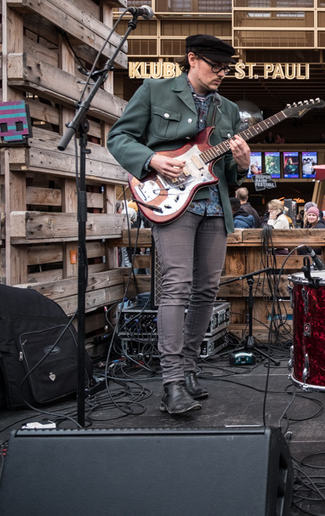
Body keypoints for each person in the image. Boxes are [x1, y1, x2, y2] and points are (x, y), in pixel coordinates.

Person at [107, 34, 250, 415]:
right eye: (215, 66)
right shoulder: (155, 91)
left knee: (205, 291)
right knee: (176, 287)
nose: (222, 74)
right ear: (192, 59)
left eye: (226, 68)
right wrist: (152, 161)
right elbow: (118, 137)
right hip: (170, 203)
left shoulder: (229, 110)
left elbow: (230, 179)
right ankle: (171, 382)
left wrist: (243, 164)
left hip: (214, 207)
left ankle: (188, 369)